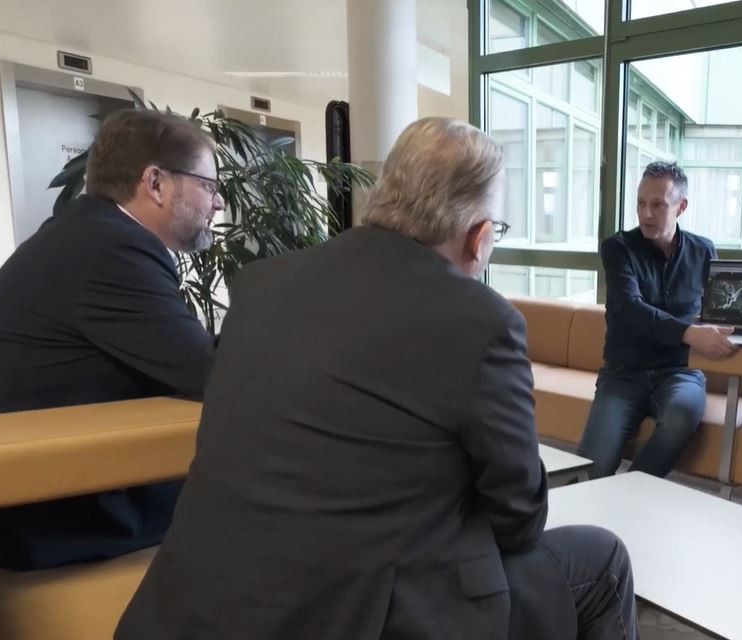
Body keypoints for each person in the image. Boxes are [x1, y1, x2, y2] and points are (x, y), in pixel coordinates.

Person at [116, 117, 636, 640]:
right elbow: (520, 519)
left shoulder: (261, 285)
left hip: (190, 609)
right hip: (355, 615)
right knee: (604, 560)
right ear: (478, 239)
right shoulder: (480, 321)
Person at [0, 109, 219, 571]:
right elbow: (207, 370)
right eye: (209, 185)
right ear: (155, 183)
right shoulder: (113, 251)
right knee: (258, 489)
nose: (217, 204)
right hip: (48, 512)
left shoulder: (87, 232)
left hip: (32, 485)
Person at [576, 161, 736, 479]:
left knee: (680, 419)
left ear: (681, 206)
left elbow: (719, 310)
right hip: (623, 374)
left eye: (658, 204)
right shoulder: (618, 248)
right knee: (591, 470)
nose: (646, 213)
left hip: (681, 373)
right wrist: (689, 332)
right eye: (641, 203)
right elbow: (629, 308)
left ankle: (632, 493)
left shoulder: (703, 251)